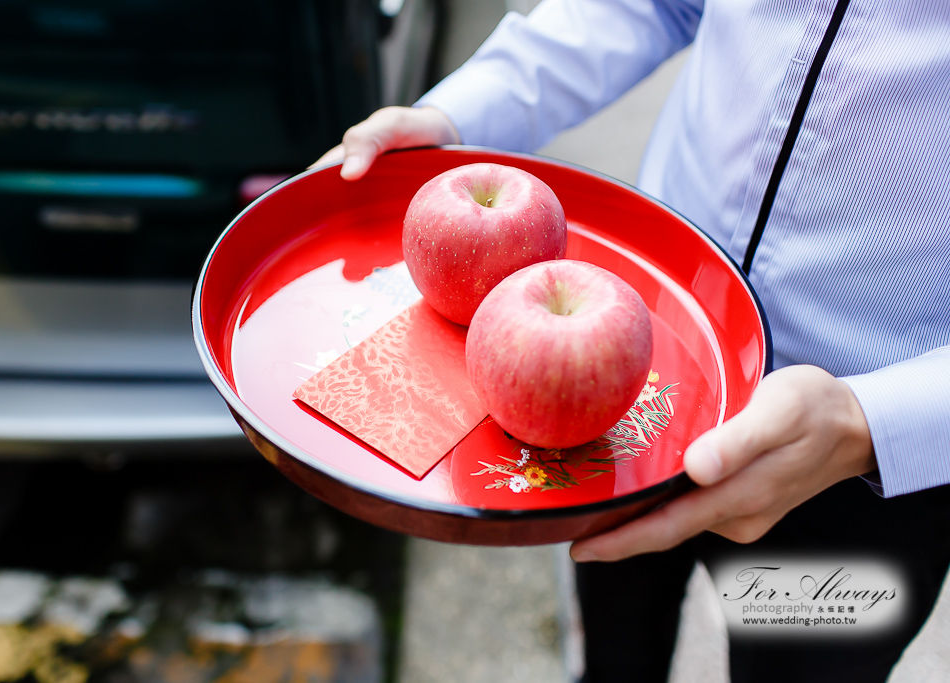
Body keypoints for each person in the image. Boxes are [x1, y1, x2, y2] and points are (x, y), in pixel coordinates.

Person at [314, 1, 950, 680]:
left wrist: (874, 421)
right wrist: (463, 112)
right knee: (615, 652)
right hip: (634, 381)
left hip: (864, 461)